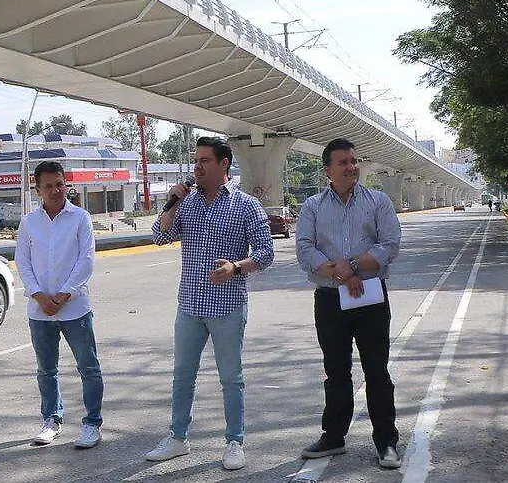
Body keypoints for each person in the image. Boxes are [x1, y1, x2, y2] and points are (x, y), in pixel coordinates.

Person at [143, 136, 274, 471]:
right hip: (189, 305)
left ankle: (234, 441)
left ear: (223, 165)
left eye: (204, 161)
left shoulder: (245, 205)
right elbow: (160, 236)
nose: (197, 167)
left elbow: (265, 252)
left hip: (227, 306)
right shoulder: (186, 203)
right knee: (183, 373)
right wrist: (171, 203)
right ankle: (177, 438)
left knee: (231, 377)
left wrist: (236, 267)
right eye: (196, 160)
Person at [295, 138, 402, 470]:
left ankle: (386, 442)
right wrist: (344, 274)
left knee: (377, 372)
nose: (351, 167)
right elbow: (304, 249)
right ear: (328, 170)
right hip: (330, 300)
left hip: (370, 299)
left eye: (353, 161)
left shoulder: (378, 201)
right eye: (343, 162)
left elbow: (390, 244)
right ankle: (333, 437)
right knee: (336, 372)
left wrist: (352, 266)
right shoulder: (312, 206)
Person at [14, 160, 104, 449]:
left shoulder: (80, 218)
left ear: (66, 185)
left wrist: (65, 294)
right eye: (49, 186)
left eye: (60, 184)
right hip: (40, 312)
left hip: (75, 308)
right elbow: (23, 262)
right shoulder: (29, 222)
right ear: (38, 189)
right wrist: (38, 295)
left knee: (88, 367)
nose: (56, 190)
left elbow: (86, 260)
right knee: (46, 370)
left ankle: (92, 424)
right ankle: (51, 420)